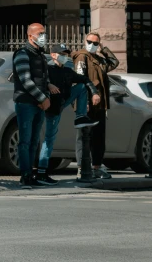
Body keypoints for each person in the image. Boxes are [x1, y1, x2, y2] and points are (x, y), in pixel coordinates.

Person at [35, 44, 100, 186]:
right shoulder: (47, 69)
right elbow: (38, 81)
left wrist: (94, 92)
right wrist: (48, 85)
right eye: (61, 54)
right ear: (53, 55)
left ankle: (80, 116)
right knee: (47, 140)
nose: (64, 56)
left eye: (66, 54)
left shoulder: (67, 71)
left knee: (82, 86)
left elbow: (85, 80)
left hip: (60, 104)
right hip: (48, 107)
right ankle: (41, 172)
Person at [13, 23, 59, 189]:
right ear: (30, 36)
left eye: (44, 33)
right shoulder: (22, 54)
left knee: (34, 141)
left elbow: (43, 79)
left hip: (39, 104)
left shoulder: (40, 55)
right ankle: (25, 175)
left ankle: (31, 175)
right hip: (26, 103)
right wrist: (42, 98)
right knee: (24, 141)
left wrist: (46, 94)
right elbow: (26, 80)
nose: (43, 36)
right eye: (40, 33)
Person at [73, 32, 119, 179]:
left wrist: (104, 49)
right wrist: (84, 101)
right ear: (84, 41)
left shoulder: (98, 59)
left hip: (99, 104)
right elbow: (80, 80)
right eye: (89, 42)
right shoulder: (82, 57)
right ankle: (81, 168)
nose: (92, 45)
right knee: (84, 136)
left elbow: (114, 62)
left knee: (99, 137)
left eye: (95, 43)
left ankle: (97, 167)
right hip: (87, 103)